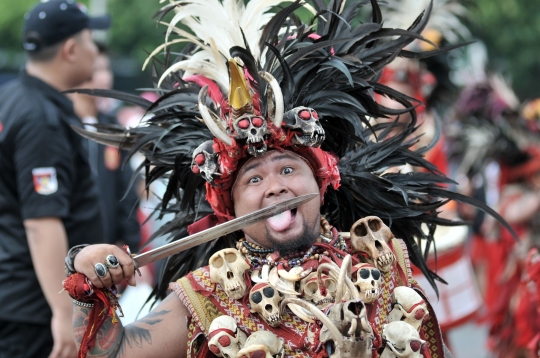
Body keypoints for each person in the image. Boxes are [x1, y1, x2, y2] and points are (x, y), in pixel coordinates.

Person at [63, 0, 509, 357]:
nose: (275, 186)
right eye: (253, 179)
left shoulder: (383, 262)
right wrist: (87, 283)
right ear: (229, 208)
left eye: (289, 169)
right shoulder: (203, 296)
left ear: (322, 181)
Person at [0, 1, 110, 357]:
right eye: (91, 40)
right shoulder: (40, 119)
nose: (96, 50)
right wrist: (63, 315)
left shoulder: (14, 98)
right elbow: (41, 222)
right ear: (71, 49)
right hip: (34, 310)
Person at [70, 44, 142, 251]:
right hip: (70, 252)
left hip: (109, 250)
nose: (104, 78)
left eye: (106, 69)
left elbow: (127, 193)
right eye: (96, 69)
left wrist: (128, 245)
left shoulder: (113, 130)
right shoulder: (59, 127)